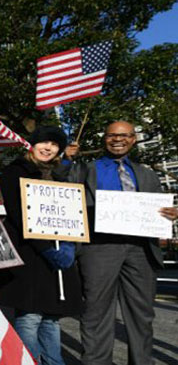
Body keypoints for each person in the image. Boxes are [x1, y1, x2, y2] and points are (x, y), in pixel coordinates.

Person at [69, 121, 178, 365]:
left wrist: (170, 213)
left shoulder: (147, 174)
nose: (118, 139)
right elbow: (60, 187)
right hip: (98, 248)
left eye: (125, 135)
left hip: (141, 250)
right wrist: (65, 160)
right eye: (112, 135)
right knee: (96, 312)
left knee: (142, 315)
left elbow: (158, 208)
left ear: (133, 139)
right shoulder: (85, 169)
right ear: (104, 138)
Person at [0, 126, 82, 365]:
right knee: (29, 317)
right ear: (32, 144)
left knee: (51, 319)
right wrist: (45, 248)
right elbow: (17, 213)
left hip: (56, 253)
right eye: (44, 142)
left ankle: (55, 362)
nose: (48, 148)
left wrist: (68, 244)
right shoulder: (16, 171)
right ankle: (29, 361)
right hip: (28, 253)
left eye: (54, 145)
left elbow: (72, 213)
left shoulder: (61, 174)